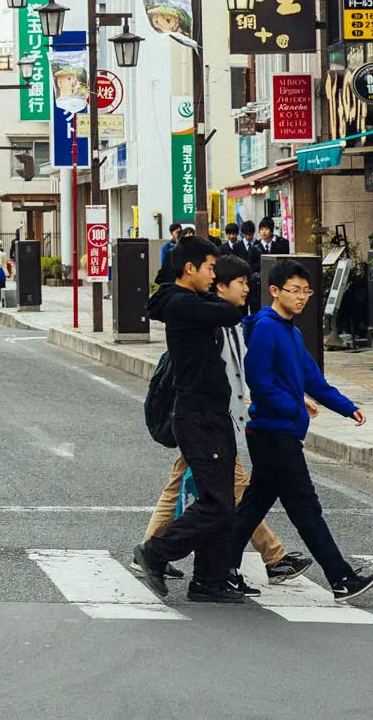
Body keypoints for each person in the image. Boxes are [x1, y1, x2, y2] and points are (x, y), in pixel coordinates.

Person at [141, 255, 313, 587]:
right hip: (206, 422)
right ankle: (271, 556)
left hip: (217, 421)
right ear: (220, 285)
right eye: (241, 283)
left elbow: (241, 370)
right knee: (232, 494)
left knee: (196, 487)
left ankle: (157, 551)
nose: (248, 289)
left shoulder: (224, 322)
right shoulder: (207, 321)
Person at [229, 257, 373, 603]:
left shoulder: (291, 331)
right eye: (293, 291)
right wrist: (295, 405)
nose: (300, 297)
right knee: (306, 508)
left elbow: (312, 379)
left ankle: (223, 567)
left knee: (253, 506)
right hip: (272, 432)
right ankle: (341, 577)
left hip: (281, 431)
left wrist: (346, 406)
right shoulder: (266, 327)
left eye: (305, 291)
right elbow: (259, 381)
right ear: (274, 291)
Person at [131, 234, 253, 604]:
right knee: (216, 501)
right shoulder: (183, 304)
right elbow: (231, 313)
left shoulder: (190, 300)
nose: (214, 277)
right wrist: (232, 296)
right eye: (211, 269)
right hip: (197, 416)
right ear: (190, 269)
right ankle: (155, 551)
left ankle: (208, 581)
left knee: (224, 500)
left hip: (214, 413)